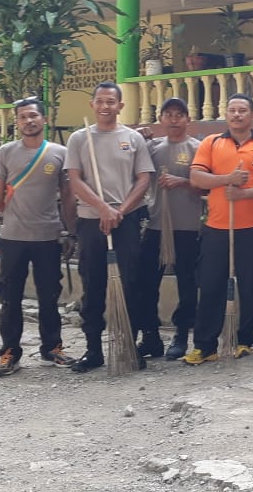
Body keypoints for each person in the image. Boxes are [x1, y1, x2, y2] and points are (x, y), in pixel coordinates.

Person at [183, 93, 253, 365]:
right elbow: (195, 177)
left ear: (252, 116)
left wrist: (245, 195)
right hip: (216, 228)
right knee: (211, 284)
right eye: (232, 110)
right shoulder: (211, 143)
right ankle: (205, 345)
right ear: (225, 115)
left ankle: (244, 340)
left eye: (242, 111)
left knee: (250, 285)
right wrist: (227, 179)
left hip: (251, 228)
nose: (237, 115)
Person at [0, 98, 78, 376]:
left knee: (49, 296)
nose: (28, 121)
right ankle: (10, 352)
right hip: (12, 237)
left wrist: (71, 232)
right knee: (10, 297)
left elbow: (68, 196)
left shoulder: (60, 152)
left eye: (33, 115)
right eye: (23, 117)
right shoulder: (6, 152)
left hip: (48, 236)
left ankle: (52, 348)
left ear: (44, 120)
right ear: (17, 122)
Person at [64, 81, 154, 373]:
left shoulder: (133, 138)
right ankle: (93, 350)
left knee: (129, 283)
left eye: (111, 102)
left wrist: (119, 211)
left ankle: (128, 344)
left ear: (120, 106)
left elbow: (143, 179)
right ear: (92, 105)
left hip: (125, 221)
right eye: (100, 101)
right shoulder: (79, 139)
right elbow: (75, 180)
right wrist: (103, 209)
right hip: (92, 221)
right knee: (93, 284)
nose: (105, 106)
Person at [138, 97, 202, 361]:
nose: (174, 119)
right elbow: (131, 166)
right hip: (156, 226)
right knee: (146, 284)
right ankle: (150, 336)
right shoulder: (151, 148)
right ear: (161, 119)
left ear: (188, 119)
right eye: (168, 114)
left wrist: (183, 182)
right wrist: (138, 137)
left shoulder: (198, 148)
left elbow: (205, 187)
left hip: (187, 227)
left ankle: (181, 336)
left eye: (179, 114)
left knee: (188, 284)